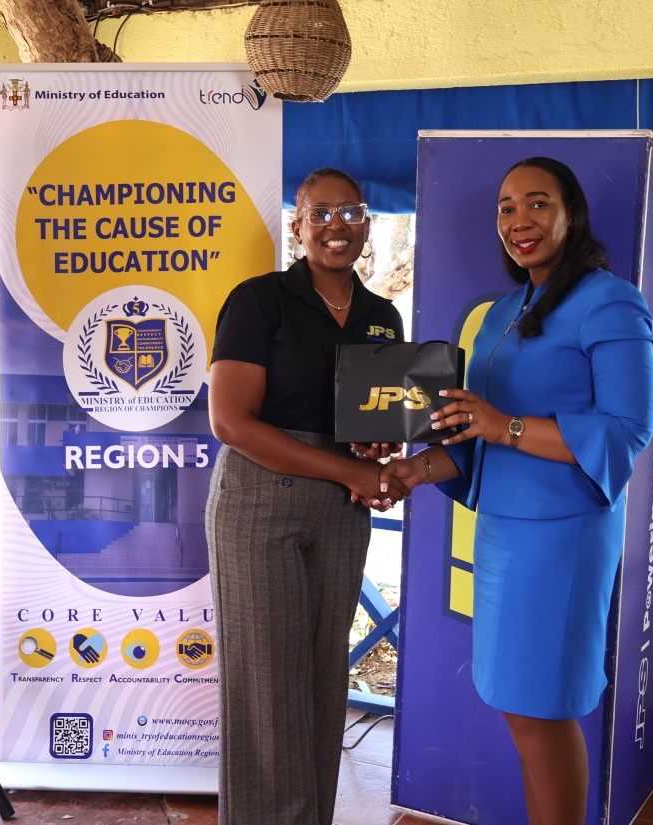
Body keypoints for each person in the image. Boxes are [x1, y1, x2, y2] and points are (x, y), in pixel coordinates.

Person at [377, 157, 653, 825]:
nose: (519, 220)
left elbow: (628, 429)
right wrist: (414, 470)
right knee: (521, 706)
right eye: (506, 207)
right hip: (503, 533)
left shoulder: (610, 300)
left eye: (537, 202)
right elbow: (479, 435)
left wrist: (507, 424)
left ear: (571, 214)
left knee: (543, 712)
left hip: (562, 537)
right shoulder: (507, 311)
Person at [204, 168, 406, 825]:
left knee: (320, 678)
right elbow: (232, 422)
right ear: (298, 225)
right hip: (260, 498)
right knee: (267, 683)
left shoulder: (383, 317)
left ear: (368, 223)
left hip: (341, 513)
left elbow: (375, 422)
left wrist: (375, 452)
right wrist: (346, 471)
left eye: (350, 212)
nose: (335, 226)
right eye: (320, 213)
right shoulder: (260, 300)